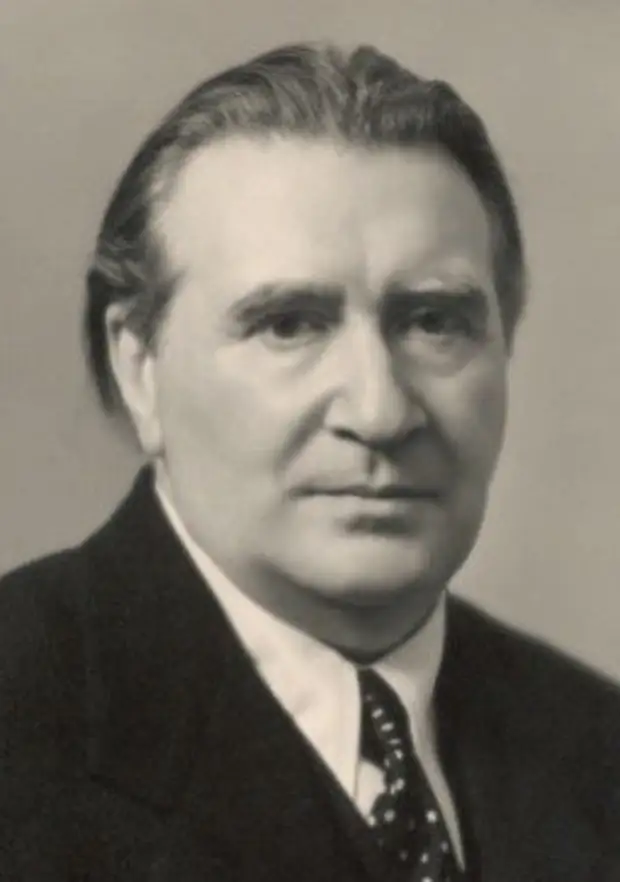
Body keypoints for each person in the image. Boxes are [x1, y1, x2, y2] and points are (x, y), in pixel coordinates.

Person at [1, 42, 619, 882]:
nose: (380, 411)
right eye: (289, 324)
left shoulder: (595, 746)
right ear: (139, 364)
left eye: (433, 322)